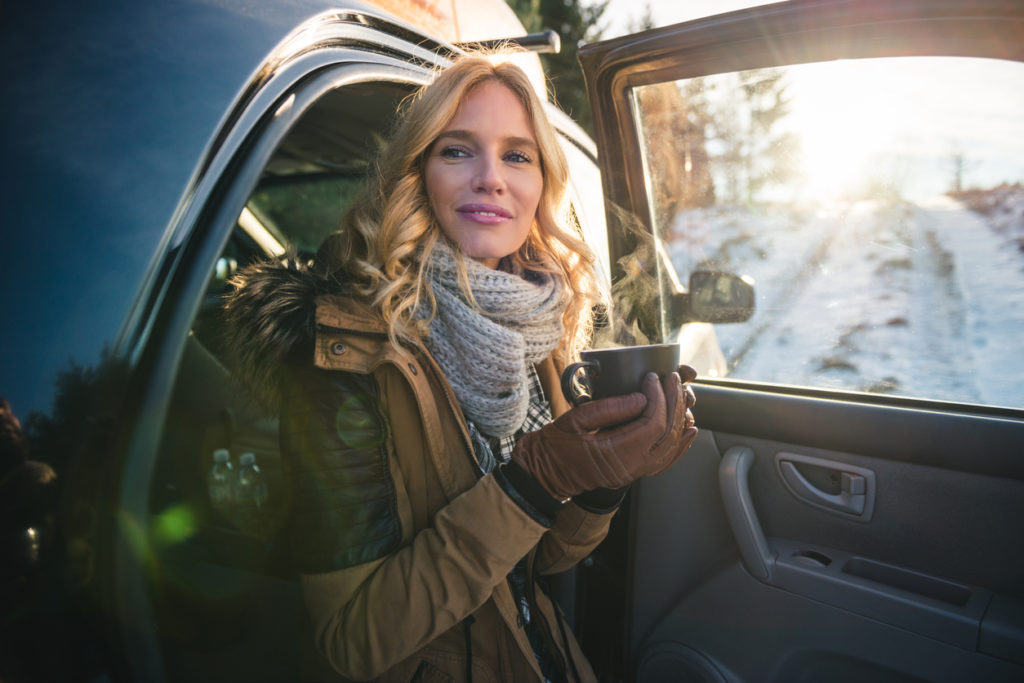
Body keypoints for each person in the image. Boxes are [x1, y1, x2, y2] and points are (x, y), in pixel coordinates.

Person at [225, 52, 697, 683]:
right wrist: (536, 479)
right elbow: (350, 643)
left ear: (541, 186)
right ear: (418, 172)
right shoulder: (346, 354)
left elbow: (546, 559)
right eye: (457, 151)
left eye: (517, 155)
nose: (490, 178)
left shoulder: (544, 326)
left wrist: (603, 478)